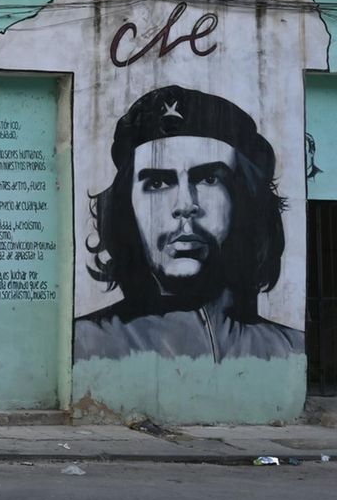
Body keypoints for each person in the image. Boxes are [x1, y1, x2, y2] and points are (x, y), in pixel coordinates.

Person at [77, 84, 302, 362]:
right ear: (125, 207)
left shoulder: (290, 350)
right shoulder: (84, 347)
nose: (184, 205)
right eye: (157, 183)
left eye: (209, 179)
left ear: (246, 198)